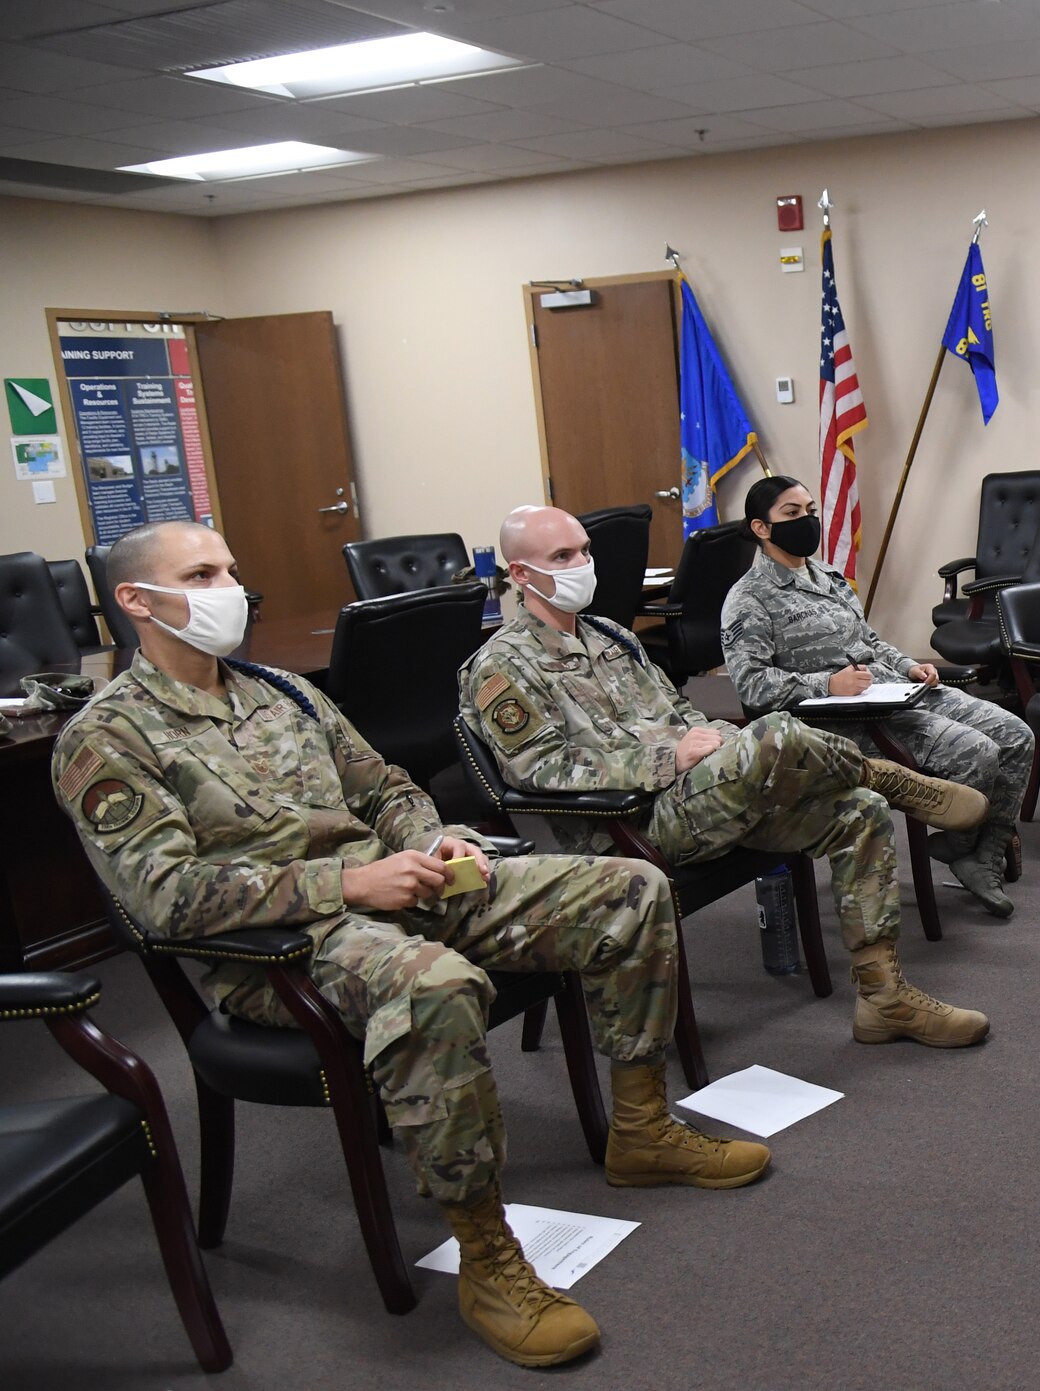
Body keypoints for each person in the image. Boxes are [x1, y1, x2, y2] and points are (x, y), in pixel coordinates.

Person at [53, 520, 769, 1370]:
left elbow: (386, 783)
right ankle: (487, 1257)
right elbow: (163, 898)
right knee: (437, 984)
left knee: (629, 888)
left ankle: (643, 1127)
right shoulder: (107, 737)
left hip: (399, 886)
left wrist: (429, 840)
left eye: (230, 570)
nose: (229, 591)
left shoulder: (280, 691)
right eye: (202, 574)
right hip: (281, 948)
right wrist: (346, 886)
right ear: (136, 600)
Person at [459, 505, 992, 1049]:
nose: (583, 564)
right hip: (629, 827)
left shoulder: (611, 635)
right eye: (563, 557)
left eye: (585, 552)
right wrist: (669, 761)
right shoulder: (501, 665)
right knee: (778, 732)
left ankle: (884, 1000)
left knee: (859, 810)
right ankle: (890, 776)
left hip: (703, 798)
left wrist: (716, 744)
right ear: (521, 574)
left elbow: (682, 715)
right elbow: (539, 770)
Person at [720, 474, 1034, 918]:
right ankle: (970, 845)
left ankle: (977, 852)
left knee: (1016, 734)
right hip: (839, 720)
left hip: (894, 688)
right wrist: (826, 684)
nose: (807, 521)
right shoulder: (748, 598)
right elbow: (750, 684)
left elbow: (868, 641)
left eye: (810, 511)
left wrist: (909, 665)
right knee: (978, 753)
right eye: (792, 514)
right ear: (761, 528)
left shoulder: (827, 575)